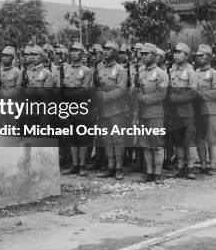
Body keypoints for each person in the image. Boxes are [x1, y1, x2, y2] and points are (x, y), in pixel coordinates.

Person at [134, 43, 168, 183]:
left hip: (155, 113)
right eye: (142, 54)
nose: (143, 56)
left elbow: (161, 95)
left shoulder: (161, 74)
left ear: (154, 56)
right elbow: (134, 90)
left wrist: (143, 98)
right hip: (142, 113)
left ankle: (158, 173)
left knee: (157, 144)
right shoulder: (140, 72)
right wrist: (134, 91)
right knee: (146, 144)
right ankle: (149, 172)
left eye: (146, 54)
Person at [95, 41, 129, 180]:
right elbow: (96, 85)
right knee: (107, 139)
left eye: (109, 49)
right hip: (103, 110)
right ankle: (110, 167)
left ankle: (119, 168)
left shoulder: (121, 70)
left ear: (115, 53)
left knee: (118, 139)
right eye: (104, 49)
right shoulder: (98, 68)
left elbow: (121, 90)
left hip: (117, 110)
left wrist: (104, 97)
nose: (105, 51)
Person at [61, 43, 93, 176]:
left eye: (77, 51)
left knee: (82, 137)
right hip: (69, 108)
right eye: (72, 51)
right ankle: (74, 164)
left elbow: (85, 90)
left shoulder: (87, 71)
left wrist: (68, 94)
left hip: (82, 107)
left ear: (82, 54)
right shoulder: (66, 69)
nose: (74, 53)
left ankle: (82, 165)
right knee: (72, 137)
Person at [169, 42, 199, 179]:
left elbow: (193, 93)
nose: (176, 55)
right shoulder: (172, 70)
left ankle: (191, 168)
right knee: (178, 140)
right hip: (175, 113)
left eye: (179, 52)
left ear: (186, 55)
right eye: (175, 52)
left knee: (189, 140)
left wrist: (176, 99)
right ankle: (180, 167)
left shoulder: (191, 72)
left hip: (187, 112)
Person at [195, 44, 216, 174]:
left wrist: (200, 94)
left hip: (210, 110)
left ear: (208, 57)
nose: (199, 58)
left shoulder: (214, 73)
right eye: (197, 56)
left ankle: (212, 165)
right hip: (197, 111)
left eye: (201, 56)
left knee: (211, 139)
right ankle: (203, 165)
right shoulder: (195, 72)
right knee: (199, 139)